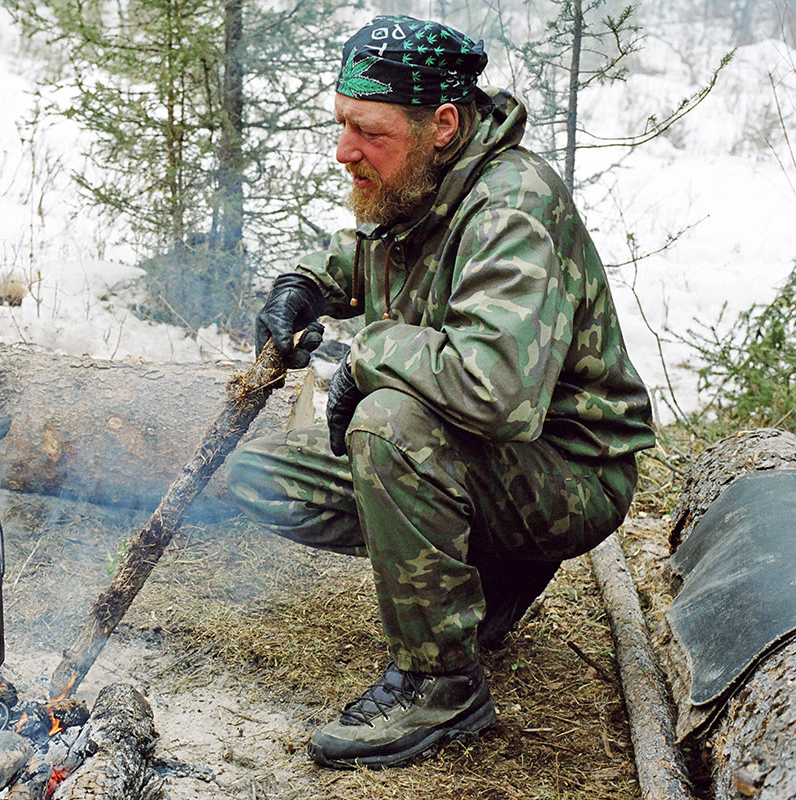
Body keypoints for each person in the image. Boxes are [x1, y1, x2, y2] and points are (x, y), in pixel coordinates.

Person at [224, 14, 656, 770]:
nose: (345, 150)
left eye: (369, 131)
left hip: (568, 469)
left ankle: (441, 684)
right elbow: (366, 252)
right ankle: (490, 577)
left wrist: (367, 356)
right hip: (489, 454)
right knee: (263, 478)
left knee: (386, 426)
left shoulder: (510, 210)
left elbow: (493, 390)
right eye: (341, 125)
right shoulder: (424, 180)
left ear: (444, 124)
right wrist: (302, 286)